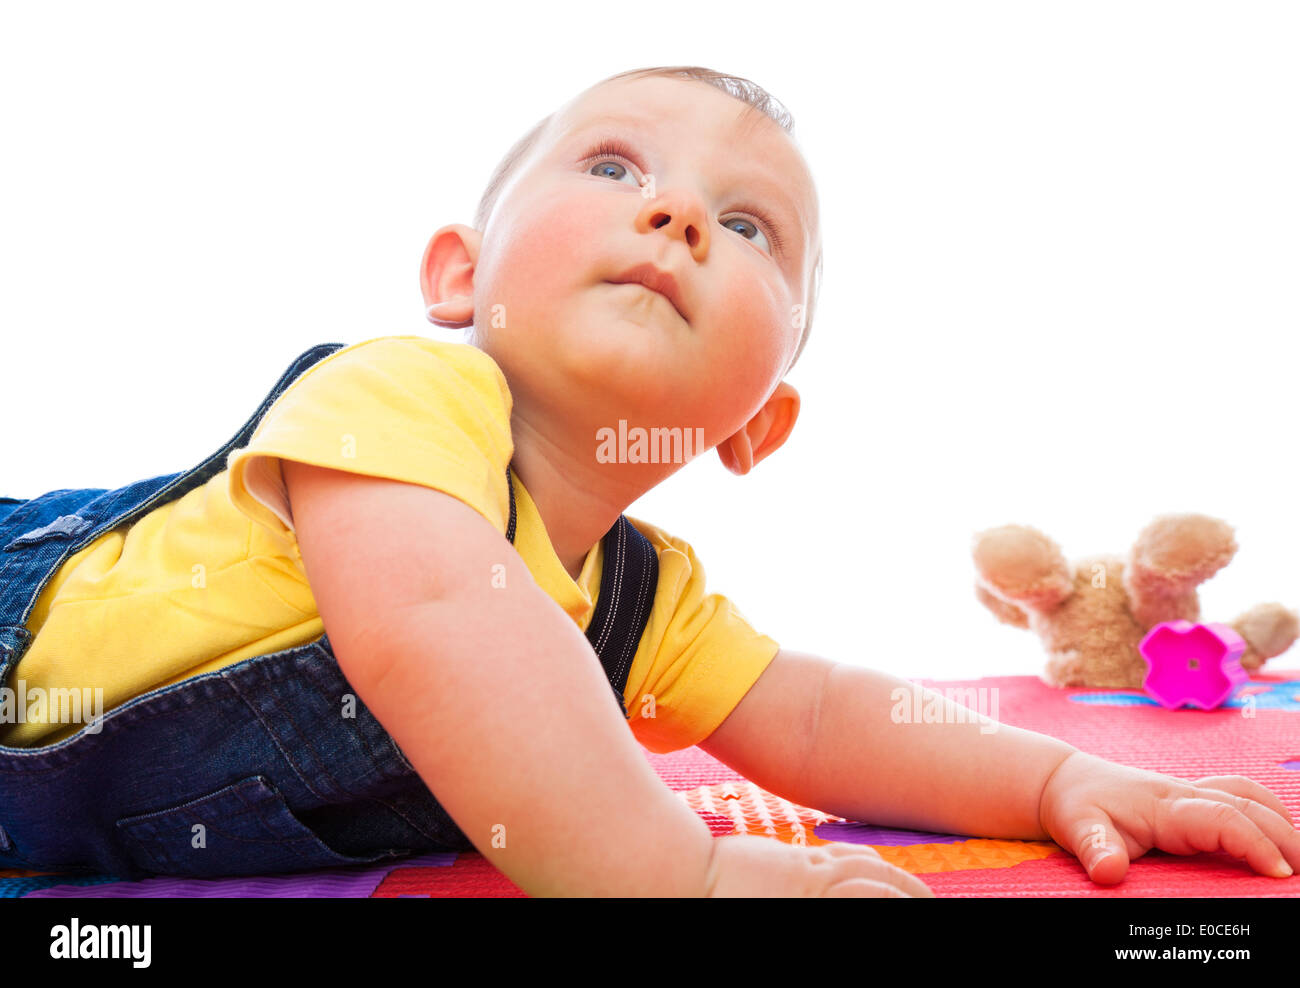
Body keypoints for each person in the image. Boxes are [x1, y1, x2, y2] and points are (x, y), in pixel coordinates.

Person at [0, 66, 1295, 897]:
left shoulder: (639, 604)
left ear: (760, 422)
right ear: (461, 275)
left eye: (747, 227)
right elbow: (439, 624)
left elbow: (821, 718)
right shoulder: (404, 395)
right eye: (616, 169)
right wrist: (678, 875)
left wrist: (1052, 780)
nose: (676, 216)